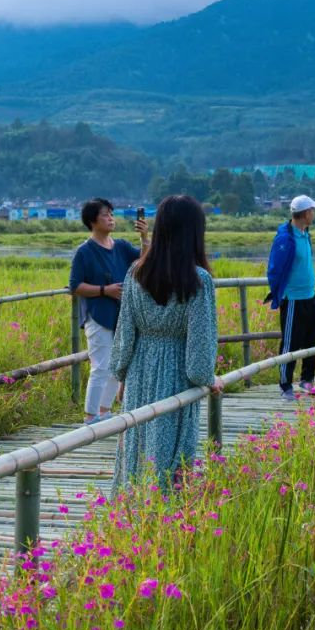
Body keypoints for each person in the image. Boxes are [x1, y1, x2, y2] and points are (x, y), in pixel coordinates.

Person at [110, 195, 221, 492]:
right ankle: (164, 516)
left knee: (137, 444)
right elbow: (200, 345)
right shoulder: (198, 280)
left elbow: (124, 333)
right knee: (170, 448)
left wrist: (122, 373)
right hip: (176, 376)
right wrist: (207, 378)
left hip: (139, 372)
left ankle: (131, 513)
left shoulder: (136, 271)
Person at [68, 198, 148, 424]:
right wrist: (105, 290)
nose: (111, 218)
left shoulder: (121, 246)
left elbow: (143, 261)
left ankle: (105, 411)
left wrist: (144, 238)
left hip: (122, 316)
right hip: (98, 315)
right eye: (105, 214)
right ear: (92, 221)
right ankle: (90, 416)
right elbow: (75, 286)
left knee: (119, 365)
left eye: (112, 214)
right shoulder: (84, 251)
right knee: (101, 366)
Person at [266, 195, 315, 402]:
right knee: (290, 343)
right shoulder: (285, 239)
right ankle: (285, 384)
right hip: (293, 300)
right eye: (313, 211)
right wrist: (280, 293)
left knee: (311, 341)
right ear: (306, 213)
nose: (314, 214)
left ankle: (307, 379)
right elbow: (274, 270)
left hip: (310, 295)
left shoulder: (305, 234)